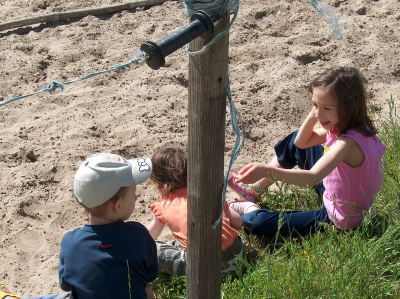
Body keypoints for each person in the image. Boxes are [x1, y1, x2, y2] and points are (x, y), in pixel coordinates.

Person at [227, 66, 386, 238]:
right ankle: (254, 190)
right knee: (300, 139)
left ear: (348, 107)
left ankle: (250, 210)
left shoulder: (347, 144)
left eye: (327, 108)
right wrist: (314, 114)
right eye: (315, 105)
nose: (319, 113)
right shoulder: (353, 126)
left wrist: (267, 170)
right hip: (336, 190)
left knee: (260, 224)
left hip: (340, 218)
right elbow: (301, 143)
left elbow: (311, 177)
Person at [58, 153, 158, 299]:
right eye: (134, 193)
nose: (136, 197)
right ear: (119, 205)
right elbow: (148, 280)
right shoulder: (138, 236)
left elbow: (65, 284)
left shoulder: (71, 244)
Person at [146, 147, 246, 280]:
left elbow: (148, 237)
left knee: (151, 247)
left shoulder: (163, 206)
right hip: (239, 258)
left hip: (205, 271)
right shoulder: (210, 192)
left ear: (159, 185)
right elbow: (238, 222)